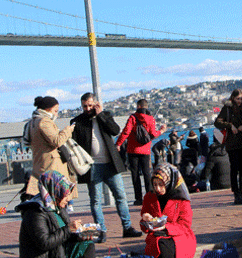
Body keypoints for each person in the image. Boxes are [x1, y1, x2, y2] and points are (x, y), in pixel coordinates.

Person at [70, 93, 142, 240]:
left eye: (90, 105)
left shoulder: (105, 115)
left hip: (110, 164)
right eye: (85, 106)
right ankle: (101, 231)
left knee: (120, 196)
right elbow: (74, 146)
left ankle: (127, 227)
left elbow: (115, 130)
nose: (88, 108)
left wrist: (100, 114)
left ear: (96, 104)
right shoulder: (77, 122)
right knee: (95, 200)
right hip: (92, 166)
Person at [140, 163, 197, 258]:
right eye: (155, 184)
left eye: (161, 184)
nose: (157, 189)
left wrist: (166, 228)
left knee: (163, 247)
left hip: (180, 237)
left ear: (169, 182)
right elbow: (144, 227)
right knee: (161, 244)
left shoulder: (181, 199)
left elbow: (185, 225)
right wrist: (146, 220)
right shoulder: (149, 197)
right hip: (158, 237)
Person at [116, 99, 167, 206]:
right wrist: (162, 131)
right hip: (145, 151)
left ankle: (138, 198)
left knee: (135, 175)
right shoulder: (151, 119)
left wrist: (118, 144)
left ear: (138, 106)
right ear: (146, 107)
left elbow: (126, 131)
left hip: (132, 150)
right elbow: (153, 134)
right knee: (147, 174)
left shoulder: (133, 118)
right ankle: (150, 196)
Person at [24, 96, 76, 200]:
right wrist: (68, 130)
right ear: (47, 109)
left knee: (45, 198)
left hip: (40, 163)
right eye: (55, 110)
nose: (56, 114)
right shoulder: (44, 122)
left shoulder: (31, 123)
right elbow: (56, 141)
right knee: (58, 198)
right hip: (52, 165)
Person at [214, 89, 242, 205]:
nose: (239, 101)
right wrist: (230, 126)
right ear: (233, 98)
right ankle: (236, 194)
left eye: (241, 98)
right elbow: (217, 122)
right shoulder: (228, 109)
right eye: (237, 99)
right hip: (232, 144)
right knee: (234, 169)